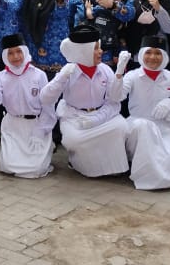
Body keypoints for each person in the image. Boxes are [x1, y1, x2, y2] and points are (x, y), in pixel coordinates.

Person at [41, 24, 129, 177]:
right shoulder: (69, 71)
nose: (101, 52)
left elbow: (114, 99)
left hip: (102, 115)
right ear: (84, 51)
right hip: (74, 117)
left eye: (99, 47)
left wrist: (119, 74)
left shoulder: (105, 69)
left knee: (121, 127)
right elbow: (45, 98)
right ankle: (79, 163)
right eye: (96, 48)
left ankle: (109, 166)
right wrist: (62, 77)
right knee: (73, 140)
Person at [116, 35, 170, 190]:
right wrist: (119, 73)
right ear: (142, 54)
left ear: (164, 56)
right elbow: (116, 96)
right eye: (148, 52)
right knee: (144, 129)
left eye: (158, 53)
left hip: (164, 128)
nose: (153, 57)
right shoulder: (133, 76)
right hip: (137, 127)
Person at [0, 33, 53, 178]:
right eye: (10, 53)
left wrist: (41, 131)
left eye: (18, 51)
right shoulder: (1, 76)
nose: (15, 56)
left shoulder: (39, 75)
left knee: (37, 169)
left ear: (25, 51)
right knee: (8, 166)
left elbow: (48, 107)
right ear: (5, 56)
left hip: (36, 125)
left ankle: (48, 145)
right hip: (13, 126)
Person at [71, 0, 134, 68]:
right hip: (81, 53)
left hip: (109, 56)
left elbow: (130, 14)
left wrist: (112, 5)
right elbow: (69, 18)